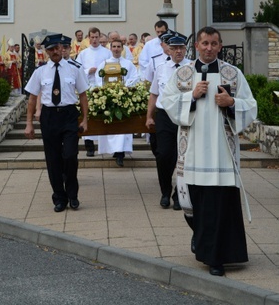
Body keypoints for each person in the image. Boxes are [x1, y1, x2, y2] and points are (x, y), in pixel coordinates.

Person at [162, 26, 257, 277]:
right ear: (197, 46)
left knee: (221, 204)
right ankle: (201, 243)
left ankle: (218, 256)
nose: (209, 48)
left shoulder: (232, 73)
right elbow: (168, 102)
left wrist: (232, 103)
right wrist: (191, 97)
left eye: (214, 43)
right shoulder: (183, 73)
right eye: (204, 43)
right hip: (193, 152)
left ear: (220, 45)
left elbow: (251, 106)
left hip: (222, 154)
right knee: (195, 203)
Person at [24, 34, 88, 212]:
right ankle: (59, 197)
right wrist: (29, 123)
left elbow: (83, 95)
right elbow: (32, 98)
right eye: (50, 49)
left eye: (57, 48)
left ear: (62, 48)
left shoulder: (74, 69)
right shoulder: (40, 71)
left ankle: (73, 195)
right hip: (49, 116)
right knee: (53, 160)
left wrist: (85, 119)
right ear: (46, 52)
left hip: (68, 115)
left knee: (69, 156)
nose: (54, 52)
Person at [146, 33, 190, 209]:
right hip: (165, 115)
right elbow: (154, 93)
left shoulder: (192, 67)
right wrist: (149, 116)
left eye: (181, 48)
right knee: (164, 155)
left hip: (186, 115)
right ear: (169, 50)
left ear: (185, 49)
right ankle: (165, 191)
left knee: (183, 157)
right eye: (174, 48)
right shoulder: (161, 68)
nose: (178, 51)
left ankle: (179, 194)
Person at [95, 39, 140, 166]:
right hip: (108, 99)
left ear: (122, 48)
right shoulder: (104, 63)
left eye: (118, 46)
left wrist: (124, 87)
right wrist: (106, 89)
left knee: (122, 127)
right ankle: (113, 150)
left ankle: (121, 153)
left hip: (123, 98)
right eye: (114, 46)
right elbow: (98, 79)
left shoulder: (128, 64)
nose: (116, 49)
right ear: (110, 48)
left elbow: (135, 77)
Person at [77, 27, 112, 156]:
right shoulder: (83, 54)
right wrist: (88, 71)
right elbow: (78, 70)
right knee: (88, 114)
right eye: (92, 37)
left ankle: (105, 146)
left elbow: (111, 67)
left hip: (102, 87)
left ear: (99, 37)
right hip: (88, 87)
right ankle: (89, 147)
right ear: (89, 38)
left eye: (97, 37)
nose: (95, 39)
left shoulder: (106, 53)